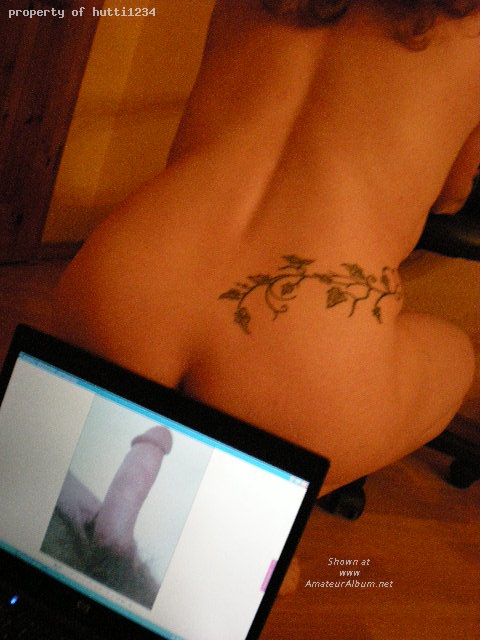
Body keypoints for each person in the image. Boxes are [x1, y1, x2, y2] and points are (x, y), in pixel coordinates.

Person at [53, 0, 479, 496]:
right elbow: (452, 196)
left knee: (72, 500)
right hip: (308, 365)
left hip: (126, 284)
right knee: (457, 356)